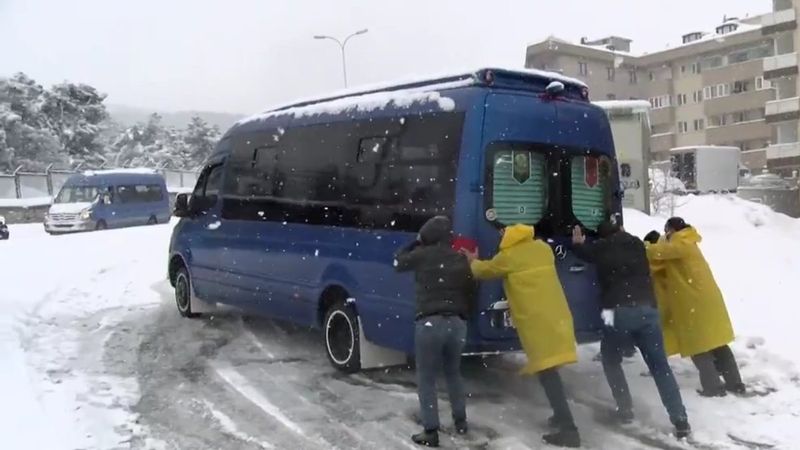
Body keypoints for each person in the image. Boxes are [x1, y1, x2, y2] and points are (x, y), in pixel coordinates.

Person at [463, 223, 580, 448]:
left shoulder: (509, 257)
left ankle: (569, 430)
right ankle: (560, 416)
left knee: (548, 372)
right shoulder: (542, 249)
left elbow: (482, 271)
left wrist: (472, 259)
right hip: (557, 316)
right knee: (551, 368)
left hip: (537, 322)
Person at [571, 222, 691, 439]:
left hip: (616, 312)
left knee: (610, 359)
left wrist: (578, 244)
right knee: (660, 366)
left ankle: (625, 410)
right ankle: (680, 419)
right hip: (648, 310)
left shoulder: (601, 248)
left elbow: (584, 253)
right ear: (621, 230)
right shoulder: (636, 244)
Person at [394, 215, 473, 447]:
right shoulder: (460, 259)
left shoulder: (422, 255)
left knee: (426, 377)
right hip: (457, 323)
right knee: (453, 373)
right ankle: (460, 421)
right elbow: (470, 288)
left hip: (430, 322)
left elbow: (397, 262)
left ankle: (431, 431)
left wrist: (414, 242)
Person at [646, 217, 745, 397]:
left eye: (666, 231)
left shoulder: (680, 243)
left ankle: (713, 387)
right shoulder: (688, 241)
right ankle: (735, 383)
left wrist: (643, 246)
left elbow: (658, 253)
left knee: (697, 346)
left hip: (693, 303)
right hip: (708, 301)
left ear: (671, 230)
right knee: (717, 343)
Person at [643, 230, 680, 358]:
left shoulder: (652, 261)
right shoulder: (667, 257)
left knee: (656, 335)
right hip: (672, 299)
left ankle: (659, 361)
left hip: (658, 302)